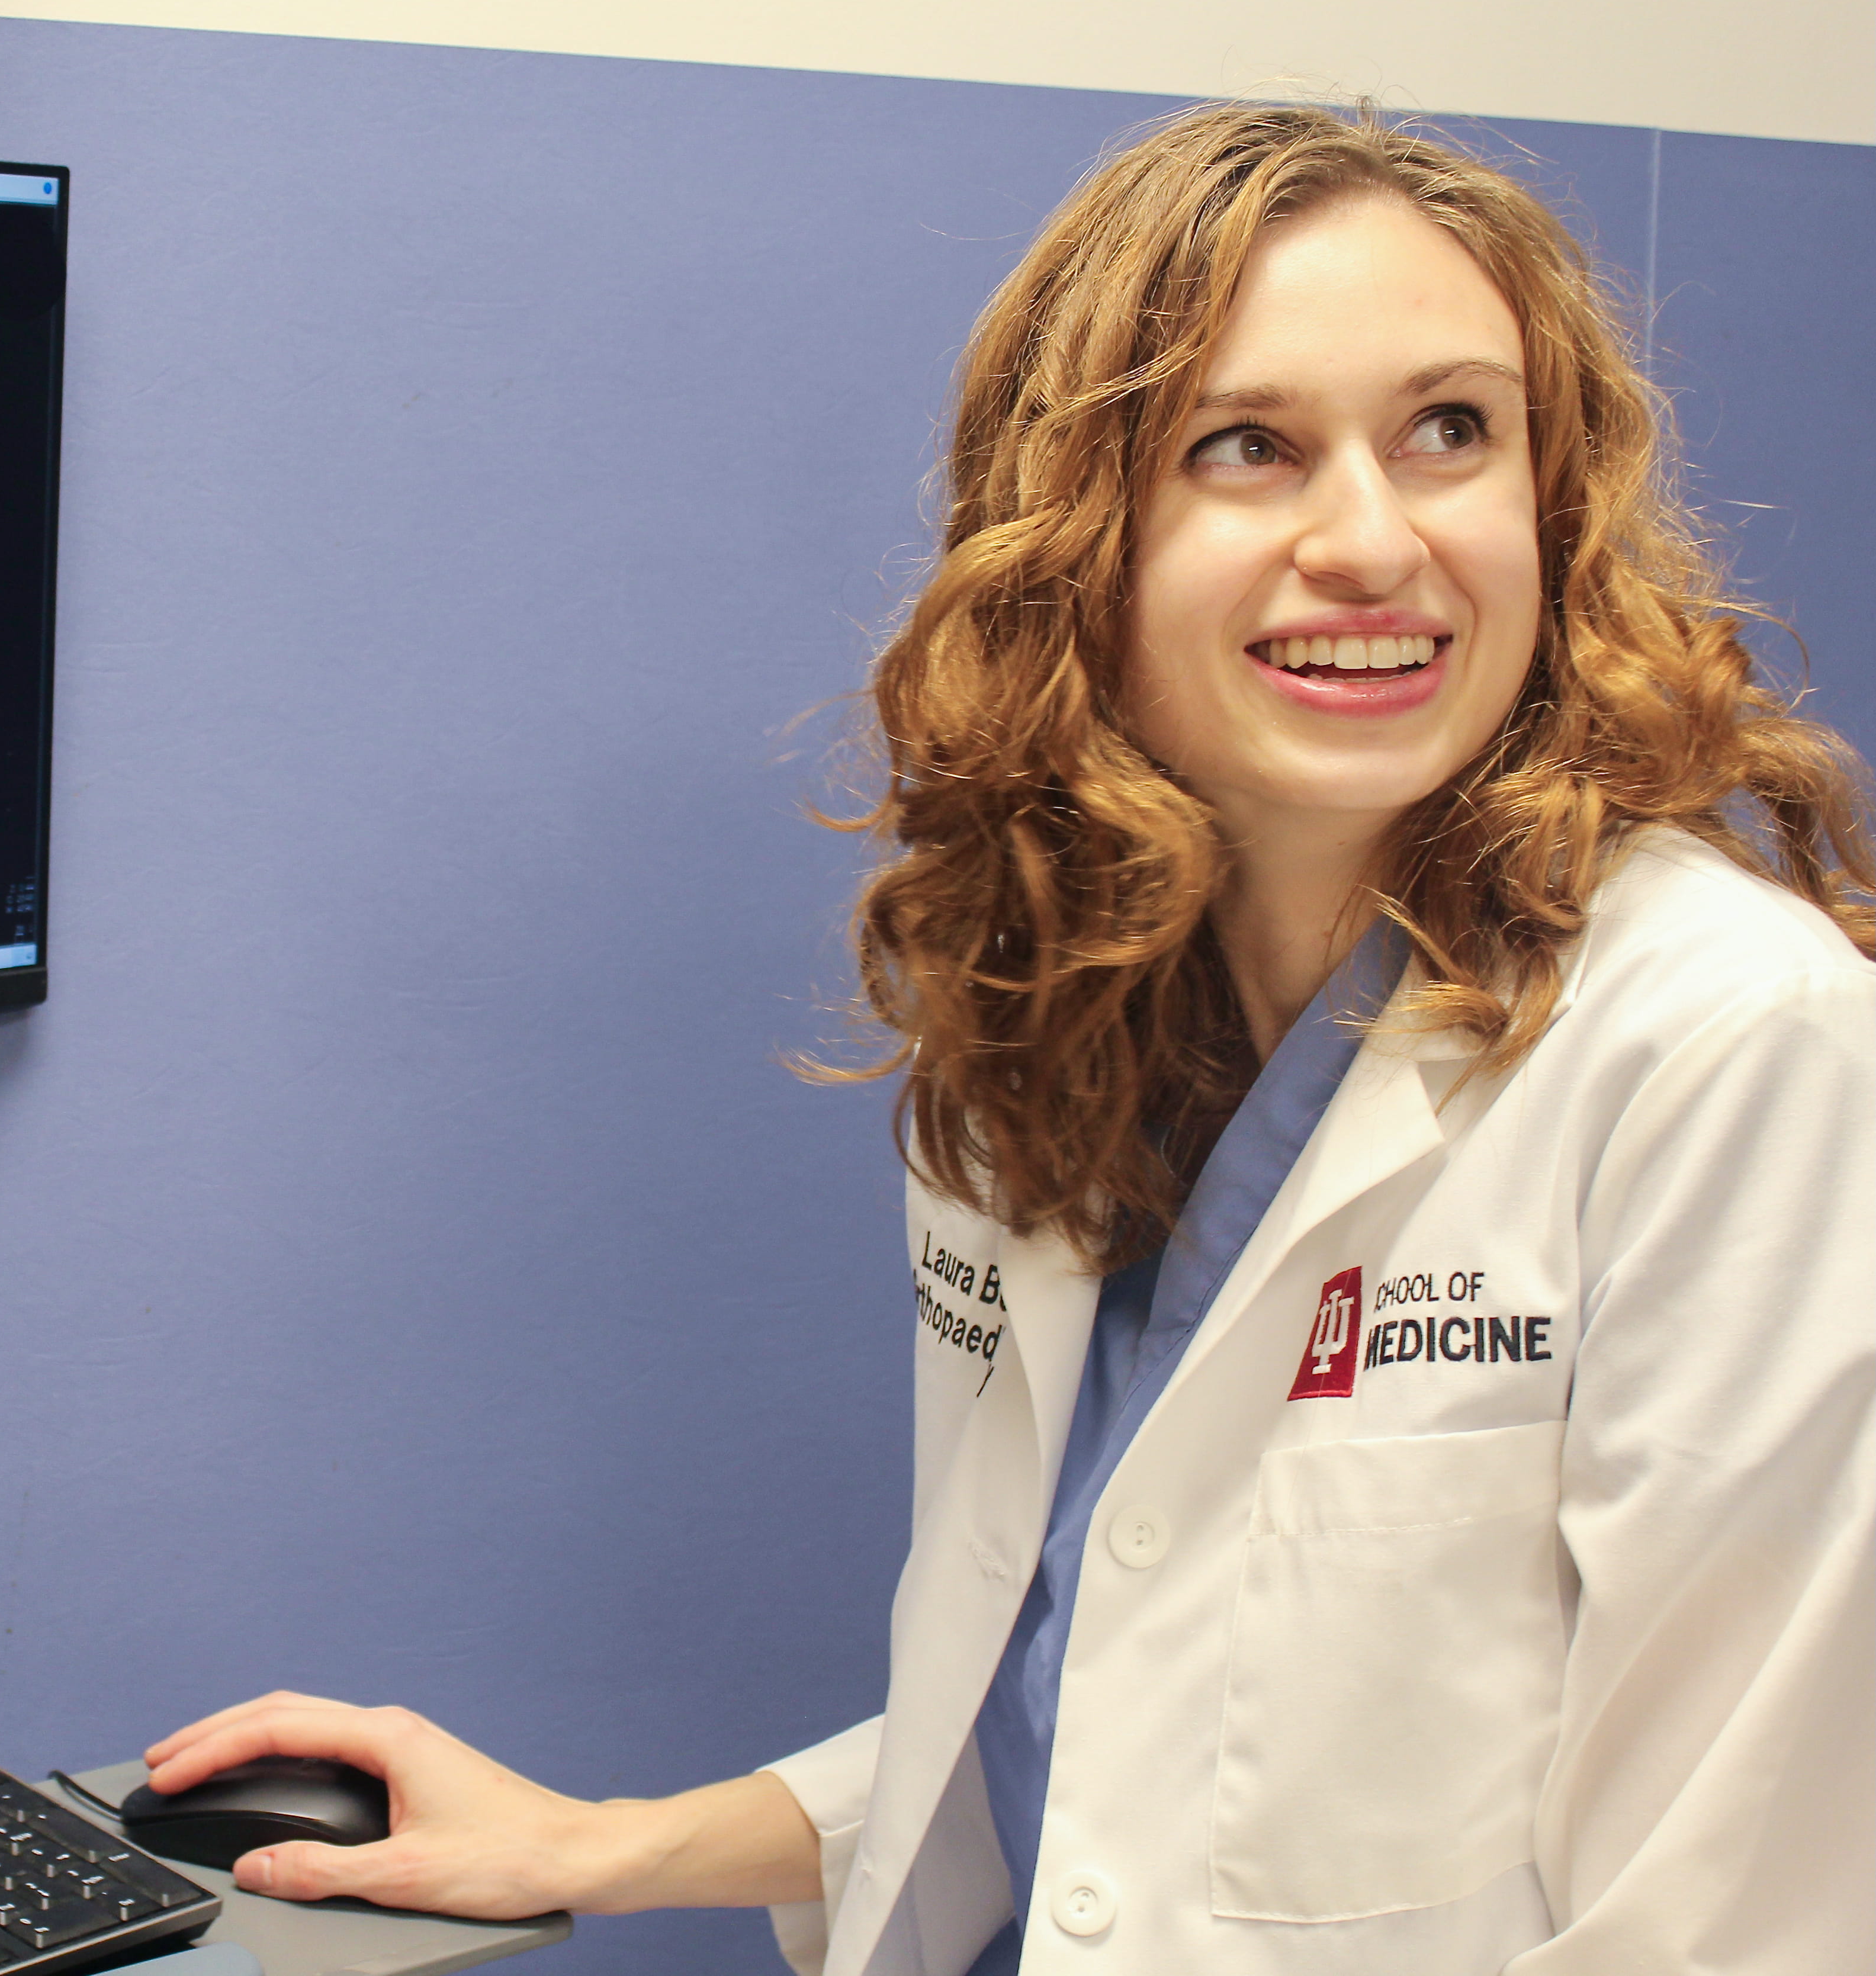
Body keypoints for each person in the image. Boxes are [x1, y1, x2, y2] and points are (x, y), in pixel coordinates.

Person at [138, 104, 1876, 1974]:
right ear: (1078, 545)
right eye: (1245, 447)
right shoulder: (1065, 1009)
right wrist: (605, 1844)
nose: (1371, 538)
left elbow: (1727, 1923)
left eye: (1450, 429)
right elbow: (1107, 1700)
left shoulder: (1735, 1058)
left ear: (1552, 498)